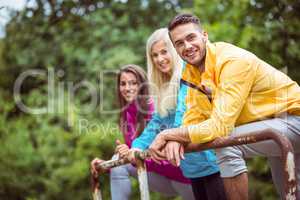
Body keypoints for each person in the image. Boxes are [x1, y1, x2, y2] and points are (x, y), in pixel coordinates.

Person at [149, 13, 300, 200]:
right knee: (290, 195)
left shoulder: (231, 61)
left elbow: (220, 126)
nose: (187, 46)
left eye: (191, 37)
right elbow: (194, 116)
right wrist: (177, 138)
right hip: (274, 126)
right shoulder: (191, 72)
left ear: (204, 35)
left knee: (227, 144)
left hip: (292, 120)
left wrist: (168, 134)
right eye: (179, 43)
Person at [126, 28, 226, 200]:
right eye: (154, 55)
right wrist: (137, 145)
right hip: (191, 167)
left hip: (212, 160)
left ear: (173, 50)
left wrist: (171, 136)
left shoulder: (189, 74)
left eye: (164, 52)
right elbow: (157, 122)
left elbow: (184, 111)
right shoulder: (163, 87)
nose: (159, 59)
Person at [90, 64, 194, 200]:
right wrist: (107, 164)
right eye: (123, 84)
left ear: (143, 85)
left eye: (133, 83)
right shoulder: (126, 114)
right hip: (162, 179)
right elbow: (133, 157)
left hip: (184, 178)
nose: (127, 88)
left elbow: (164, 156)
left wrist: (132, 155)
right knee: (117, 161)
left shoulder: (154, 109)